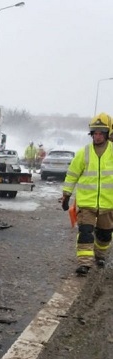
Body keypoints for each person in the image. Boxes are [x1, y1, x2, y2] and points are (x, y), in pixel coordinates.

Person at [61, 112, 113, 276]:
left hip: (108, 203)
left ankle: (100, 255)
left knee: (104, 235)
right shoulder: (83, 152)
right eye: (94, 133)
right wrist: (66, 195)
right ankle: (84, 264)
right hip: (86, 202)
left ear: (107, 133)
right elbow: (72, 174)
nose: (97, 136)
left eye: (100, 133)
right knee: (85, 232)